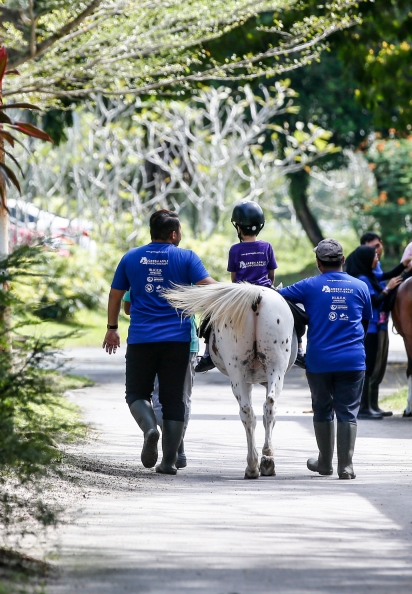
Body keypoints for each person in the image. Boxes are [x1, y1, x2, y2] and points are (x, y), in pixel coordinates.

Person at [103, 210, 215, 474]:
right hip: (176, 341)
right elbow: (210, 288)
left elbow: (116, 295)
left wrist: (111, 328)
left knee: (136, 394)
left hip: (141, 339)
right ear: (174, 234)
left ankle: (150, 428)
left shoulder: (131, 257)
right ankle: (168, 462)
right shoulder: (186, 257)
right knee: (174, 400)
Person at [278, 239, 372, 479]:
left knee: (322, 409)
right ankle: (346, 466)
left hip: (319, 361)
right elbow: (365, 323)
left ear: (318, 263)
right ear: (342, 261)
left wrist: (302, 316)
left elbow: (277, 297)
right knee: (348, 412)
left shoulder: (309, 285)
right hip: (353, 361)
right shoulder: (360, 287)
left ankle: (325, 463)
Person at [194, 201, 283, 372]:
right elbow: (271, 275)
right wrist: (269, 285)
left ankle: (207, 354)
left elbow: (234, 278)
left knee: (211, 316)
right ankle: (300, 349)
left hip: (240, 291)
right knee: (295, 313)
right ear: (260, 227)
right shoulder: (267, 247)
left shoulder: (235, 249)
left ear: (238, 228)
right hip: (266, 288)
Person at [123, 289, 200, 469]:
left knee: (157, 399)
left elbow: (127, 306)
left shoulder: (141, 265)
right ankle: (176, 451)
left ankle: (160, 437)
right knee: (181, 399)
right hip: (185, 342)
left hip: (147, 339)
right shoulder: (187, 267)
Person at [344, 244, 402, 420]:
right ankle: (363, 408)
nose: (377, 259)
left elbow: (385, 275)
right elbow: (374, 302)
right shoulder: (363, 279)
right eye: (374, 257)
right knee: (367, 367)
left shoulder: (368, 276)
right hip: (371, 327)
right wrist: (388, 288)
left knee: (368, 367)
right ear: (365, 260)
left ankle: (368, 406)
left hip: (374, 326)